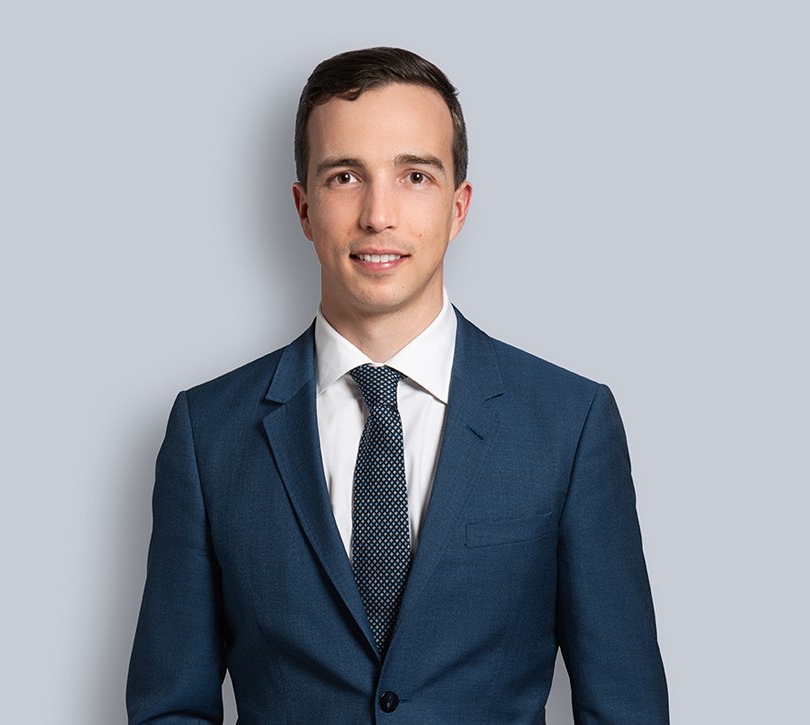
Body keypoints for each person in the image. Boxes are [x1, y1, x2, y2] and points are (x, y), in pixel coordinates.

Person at [127, 47, 669, 724]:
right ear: (302, 208)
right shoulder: (208, 433)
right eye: (345, 176)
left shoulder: (569, 423)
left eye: (415, 175)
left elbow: (626, 708)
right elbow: (171, 707)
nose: (378, 214)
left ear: (458, 206)